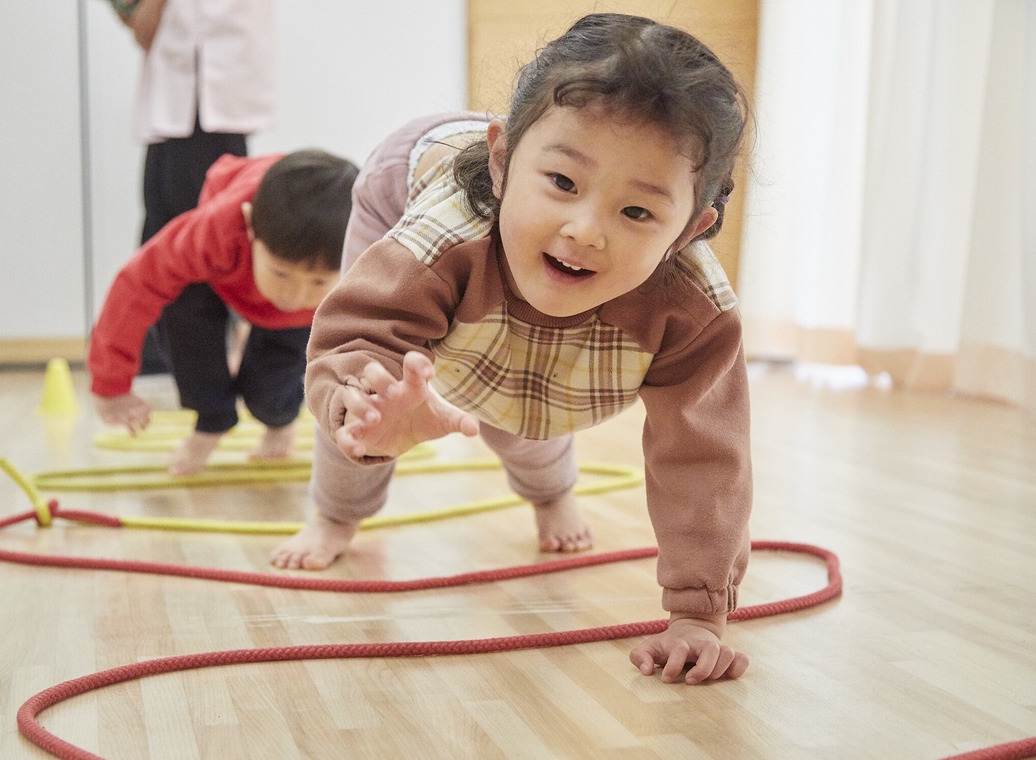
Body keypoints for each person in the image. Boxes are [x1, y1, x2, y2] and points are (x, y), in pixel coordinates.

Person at [273, 13, 753, 685]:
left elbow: (705, 458)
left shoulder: (694, 310)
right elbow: (358, 333)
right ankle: (335, 513)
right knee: (376, 391)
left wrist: (699, 611)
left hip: (517, 228)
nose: (585, 230)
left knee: (528, 396)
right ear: (500, 162)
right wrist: (364, 405)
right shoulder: (436, 239)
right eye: (563, 183)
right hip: (402, 184)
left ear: (690, 230)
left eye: (637, 212)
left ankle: (550, 492)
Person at [88, 150, 359, 475]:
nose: (293, 295)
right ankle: (211, 421)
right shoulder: (218, 229)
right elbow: (137, 285)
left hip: (302, 318)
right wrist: (111, 385)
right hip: (220, 277)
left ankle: (279, 421)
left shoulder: (365, 254)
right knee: (186, 315)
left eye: (317, 281)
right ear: (249, 225)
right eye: (281, 273)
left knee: (271, 395)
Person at [112, 0, 276, 374]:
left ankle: (210, 365)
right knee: (168, 238)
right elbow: (138, 26)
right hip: (180, 103)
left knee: (204, 242)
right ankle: (171, 359)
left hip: (213, 102)